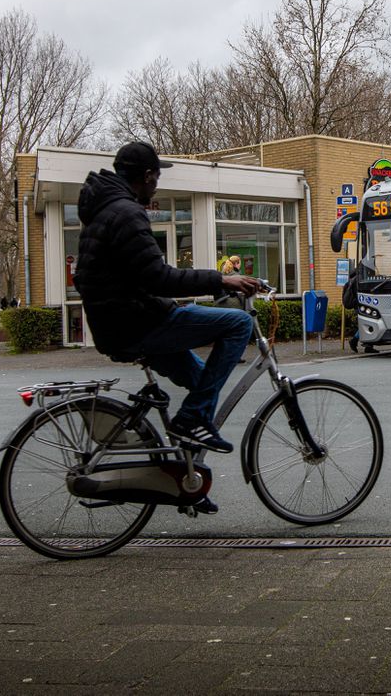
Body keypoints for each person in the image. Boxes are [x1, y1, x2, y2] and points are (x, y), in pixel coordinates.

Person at [75, 141, 261, 512]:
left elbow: (134, 279)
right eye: (156, 177)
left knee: (200, 383)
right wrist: (221, 281)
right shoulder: (126, 214)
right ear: (145, 177)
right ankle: (191, 421)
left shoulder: (103, 210)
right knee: (238, 324)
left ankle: (186, 484)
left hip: (122, 321)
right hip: (139, 324)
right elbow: (158, 277)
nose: (156, 185)